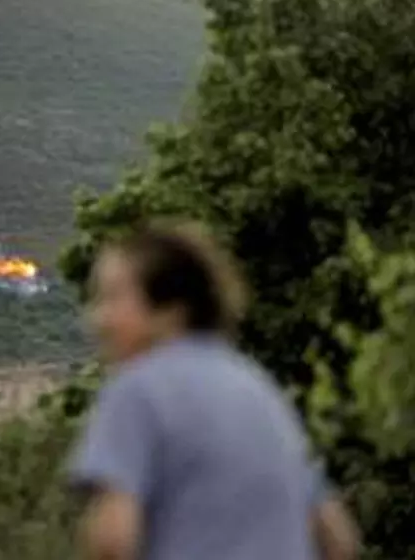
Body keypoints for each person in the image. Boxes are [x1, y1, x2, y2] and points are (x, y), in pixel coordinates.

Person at [68, 221, 360, 560]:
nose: (96, 319)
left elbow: (113, 540)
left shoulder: (138, 389)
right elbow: (339, 537)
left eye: (112, 298)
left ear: (170, 310)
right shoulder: (257, 387)